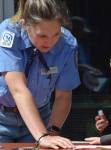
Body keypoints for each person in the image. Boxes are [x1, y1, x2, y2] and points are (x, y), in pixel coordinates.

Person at [0, 0, 80, 149]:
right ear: (24, 24)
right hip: (2, 119)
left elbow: (63, 95)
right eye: (42, 36)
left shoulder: (67, 44)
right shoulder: (9, 33)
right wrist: (42, 136)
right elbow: (18, 89)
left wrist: (51, 133)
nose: (50, 42)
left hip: (40, 117)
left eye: (56, 34)